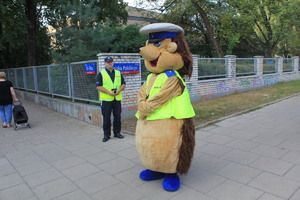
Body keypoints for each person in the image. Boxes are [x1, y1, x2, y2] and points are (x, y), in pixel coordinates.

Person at [96, 57, 126, 142]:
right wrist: (108, 92)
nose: (109, 63)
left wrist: (119, 90)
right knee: (106, 118)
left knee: (117, 117)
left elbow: (123, 84)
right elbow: (98, 86)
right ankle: (106, 135)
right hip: (106, 100)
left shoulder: (118, 73)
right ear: (105, 64)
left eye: (111, 62)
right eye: (108, 62)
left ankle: (117, 133)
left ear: (113, 63)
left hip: (117, 99)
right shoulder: (101, 74)